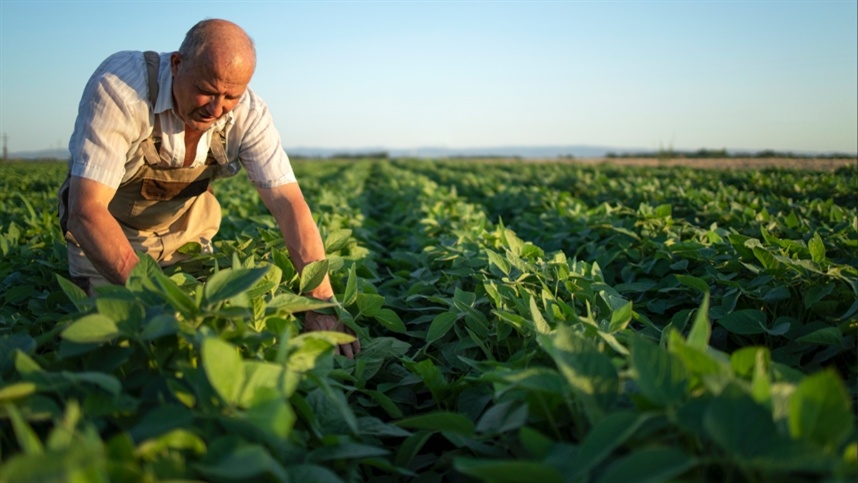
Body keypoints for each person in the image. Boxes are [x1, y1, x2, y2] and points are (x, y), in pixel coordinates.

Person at [58, 18, 359, 358]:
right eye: (207, 90)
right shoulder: (121, 88)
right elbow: (86, 213)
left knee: (220, 341)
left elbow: (289, 205)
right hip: (109, 238)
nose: (216, 109)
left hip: (186, 235)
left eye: (231, 95)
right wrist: (162, 303)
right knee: (121, 347)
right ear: (177, 64)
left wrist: (318, 303)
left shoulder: (250, 114)